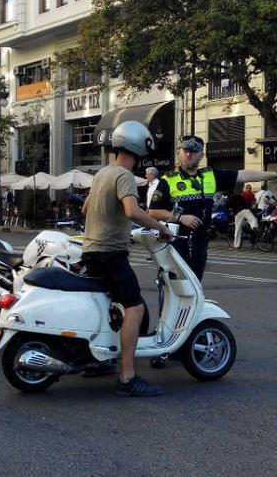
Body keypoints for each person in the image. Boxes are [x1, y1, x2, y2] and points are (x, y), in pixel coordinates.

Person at [81, 121, 174, 397]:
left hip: (92, 251)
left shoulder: (102, 174)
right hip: (111, 254)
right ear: (137, 146)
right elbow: (132, 211)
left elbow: (87, 208)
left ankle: (101, 361)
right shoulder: (124, 176)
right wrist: (162, 228)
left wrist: (112, 222)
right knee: (135, 308)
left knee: (116, 304)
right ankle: (127, 378)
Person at [148, 135, 277, 280]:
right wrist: (180, 217)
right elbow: (152, 212)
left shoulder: (210, 175)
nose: (189, 154)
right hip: (176, 242)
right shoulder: (168, 180)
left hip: (200, 242)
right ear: (178, 153)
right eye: (185, 150)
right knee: (174, 285)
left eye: (194, 151)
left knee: (194, 286)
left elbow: (243, 175)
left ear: (201, 154)